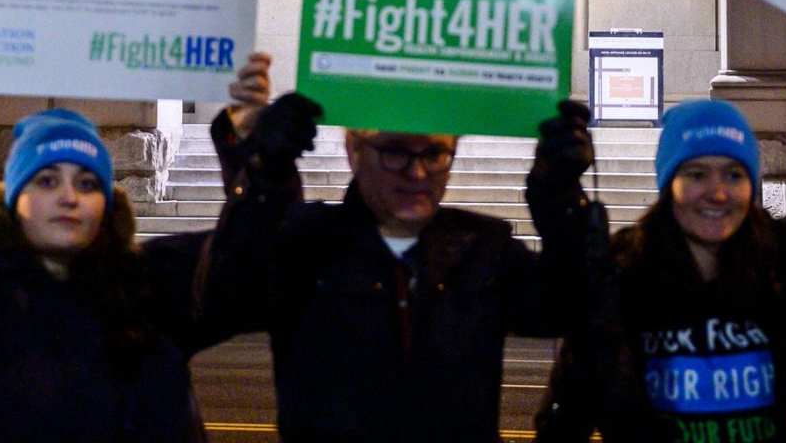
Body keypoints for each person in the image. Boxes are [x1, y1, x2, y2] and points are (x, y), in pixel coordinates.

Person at [0, 52, 275, 442]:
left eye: (87, 181)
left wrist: (252, 150)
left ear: (106, 203)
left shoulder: (150, 287)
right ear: (14, 198)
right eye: (46, 179)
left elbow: (252, 267)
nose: (68, 196)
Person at [198, 82, 598, 443]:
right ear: (354, 151)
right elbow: (225, 298)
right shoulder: (305, 243)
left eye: (435, 152)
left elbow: (566, 309)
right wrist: (263, 174)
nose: (417, 171)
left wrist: (558, 191)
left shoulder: (484, 247)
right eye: (394, 151)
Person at [535, 98, 786, 443]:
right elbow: (565, 418)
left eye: (734, 174)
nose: (718, 193)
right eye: (697, 174)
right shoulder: (618, 278)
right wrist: (558, 203)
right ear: (669, 185)